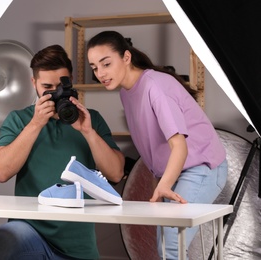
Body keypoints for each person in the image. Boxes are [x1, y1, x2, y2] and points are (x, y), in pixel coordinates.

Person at [86, 31, 228, 259]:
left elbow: (179, 146)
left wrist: (163, 186)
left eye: (106, 64)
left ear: (126, 57)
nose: (100, 73)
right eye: (94, 68)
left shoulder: (156, 86)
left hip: (201, 168)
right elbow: (152, 146)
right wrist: (159, 183)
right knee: (165, 247)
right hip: (175, 172)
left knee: (172, 244)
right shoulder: (126, 92)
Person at [0, 44, 125, 260]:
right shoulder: (19, 120)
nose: (56, 93)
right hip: (30, 232)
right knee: (0, 244)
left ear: (71, 81)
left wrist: (87, 132)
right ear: (34, 84)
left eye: (61, 85)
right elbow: (1, 172)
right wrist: (35, 124)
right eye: (47, 86)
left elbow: (115, 173)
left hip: (77, 244)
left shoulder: (91, 119)